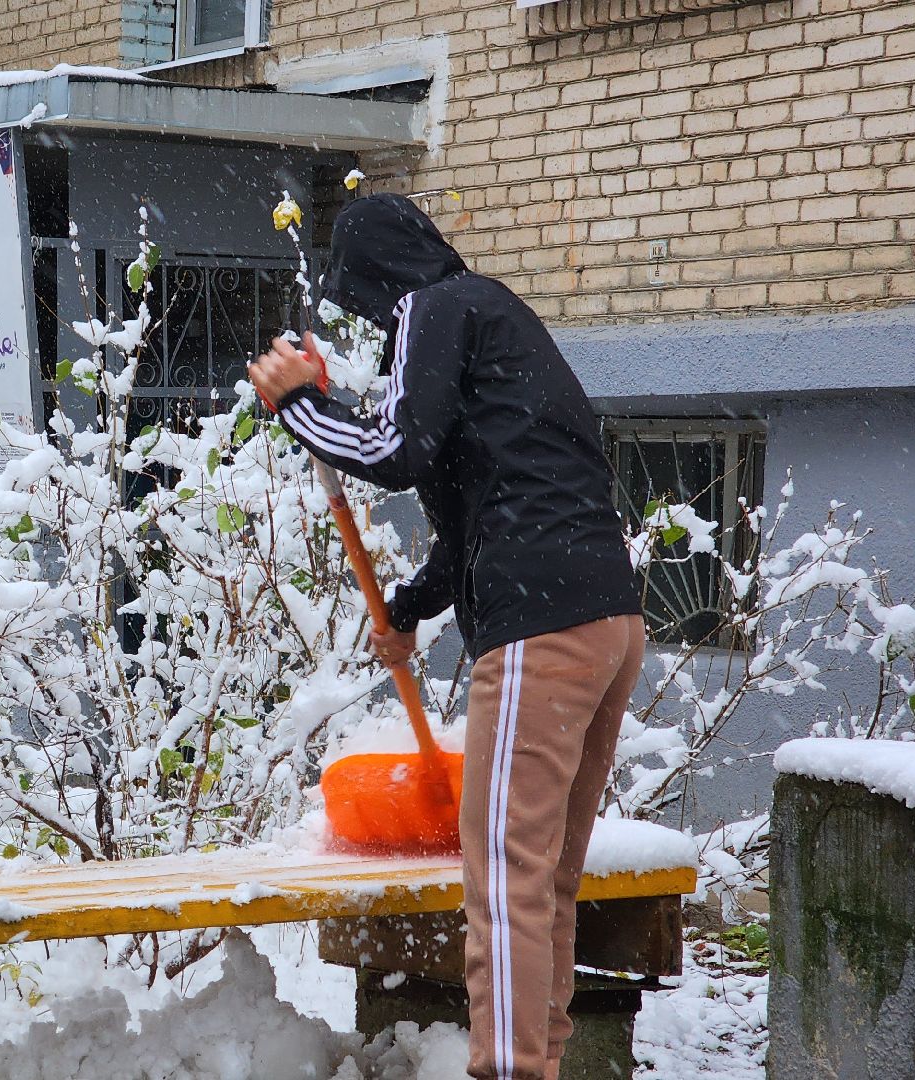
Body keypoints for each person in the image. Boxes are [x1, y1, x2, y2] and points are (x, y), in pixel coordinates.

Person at [248, 192, 645, 1080]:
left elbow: (398, 449)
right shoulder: (493, 317)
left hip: (542, 629)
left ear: (376, 277)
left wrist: (298, 406)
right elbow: (478, 498)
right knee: (544, 881)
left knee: (503, 881)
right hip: (611, 621)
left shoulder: (435, 308)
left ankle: (507, 1069)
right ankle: (537, 1061)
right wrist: (412, 603)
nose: (368, 319)